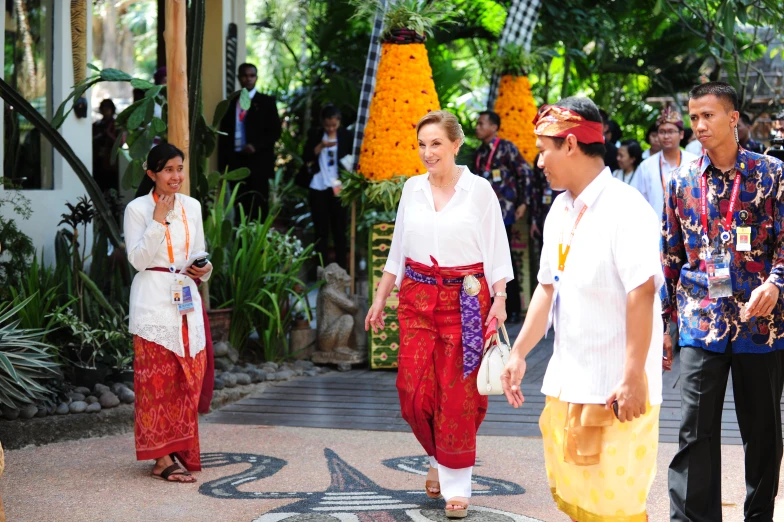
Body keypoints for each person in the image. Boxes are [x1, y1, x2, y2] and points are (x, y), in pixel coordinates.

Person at [501, 97, 664, 522]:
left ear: (570, 144)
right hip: (569, 380)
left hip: (616, 388)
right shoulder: (559, 208)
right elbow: (546, 289)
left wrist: (633, 377)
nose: (539, 162)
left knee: (617, 506)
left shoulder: (626, 208)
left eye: (543, 149)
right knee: (578, 500)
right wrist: (518, 352)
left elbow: (642, 293)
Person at [365, 110, 512, 519]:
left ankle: (457, 485)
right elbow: (398, 250)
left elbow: (497, 251)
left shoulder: (479, 191)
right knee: (412, 391)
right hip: (416, 297)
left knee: (458, 395)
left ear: (455, 144)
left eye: (435, 144)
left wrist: (499, 300)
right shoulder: (412, 189)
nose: (428, 153)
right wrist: (380, 298)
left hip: (466, 300)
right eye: (422, 145)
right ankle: (436, 454)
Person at [664, 82, 784, 522]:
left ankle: (758, 517)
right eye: (693, 117)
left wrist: (776, 282)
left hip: (762, 324)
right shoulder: (679, 181)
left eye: (708, 116)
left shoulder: (772, 174)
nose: (698, 126)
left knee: (763, 433)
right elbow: (671, 255)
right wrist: (665, 325)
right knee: (694, 433)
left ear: (733, 118)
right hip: (700, 322)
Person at [124, 143, 213, 483]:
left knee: (189, 378)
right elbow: (139, 260)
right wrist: (158, 221)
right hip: (151, 303)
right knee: (156, 382)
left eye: (180, 169)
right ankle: (161, 458)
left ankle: (178, 447)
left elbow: (200, 252)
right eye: (169, 170)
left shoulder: (192, 206)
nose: (176, 176)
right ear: (152, 174)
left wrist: (201, 270)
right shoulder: (137, 209)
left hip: (186, 299)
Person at [473, 110, 532, 324]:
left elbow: (525, 172)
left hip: (505, 211)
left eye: (481, 124)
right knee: (486, 259)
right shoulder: (479, 153)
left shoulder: (506, 148)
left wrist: (523, 202)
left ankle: (514, 308)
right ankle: (490, 306)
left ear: (494, 127)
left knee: (503, 259)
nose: (477, 127)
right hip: (483, 214)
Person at [218, 63, 282, 221]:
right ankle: (240, 244)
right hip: (236, 162)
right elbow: (223, 136)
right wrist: (222, 166)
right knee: (239, 206)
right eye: (245, 75)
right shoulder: (231, 103)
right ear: (239, 78)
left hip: (259, 163)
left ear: (256, 77)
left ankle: (258, 244)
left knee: (259, 206)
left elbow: (275, 132)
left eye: (252, 75)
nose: (248, 79)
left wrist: (256, 146)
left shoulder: (266, 102)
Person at [302, 104, 352, 269]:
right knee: (320, 230)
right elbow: (306, 156)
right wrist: (321, 146)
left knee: (340, 229)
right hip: (318, 185)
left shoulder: (346, 135)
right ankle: (321, 268)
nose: (330, 128)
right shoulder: (315, 134)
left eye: (333, 125)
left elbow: (353, 158)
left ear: (339, 122)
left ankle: (341, 269)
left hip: (338, 186)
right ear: (322, 123)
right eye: (327, 125)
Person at [631, 107, 698, 216]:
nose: (666, 136)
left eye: (671, 132)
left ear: (681, 134)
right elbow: (636, 200)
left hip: (688, 228)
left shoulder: (694, 162)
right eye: (662, 132)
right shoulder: (646, 166)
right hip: (655, 229)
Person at [92, 98, 119, 194]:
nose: (105, 109)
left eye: (108, 107)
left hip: (111, 163)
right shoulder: (96, 125)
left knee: (112, 187)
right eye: (103, 107)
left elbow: (120, 142)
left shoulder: (117, 124)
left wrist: (108, 134)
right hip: (98, 160)